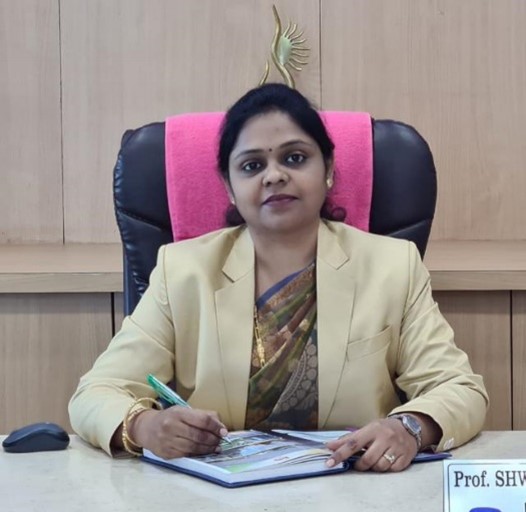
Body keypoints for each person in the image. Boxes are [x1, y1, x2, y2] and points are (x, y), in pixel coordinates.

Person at [69, 83, 488, 472]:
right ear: (229, 187)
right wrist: (144, 426)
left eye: (294, 158)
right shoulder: (183, 271)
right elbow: (96, 392)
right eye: (252, 165)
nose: (274, 176)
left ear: (328, 168)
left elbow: (459, 388)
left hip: (355, 487)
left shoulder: (392, 266)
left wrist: (410, 428)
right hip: (216, 501)